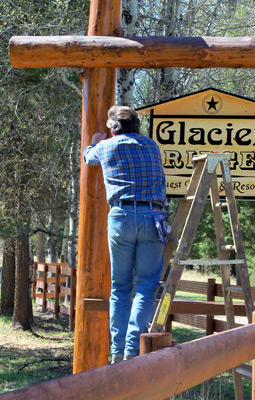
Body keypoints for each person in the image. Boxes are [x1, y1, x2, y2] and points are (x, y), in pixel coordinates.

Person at [83, 105, 167, 363]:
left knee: (120, 287)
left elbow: (88, 158)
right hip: (153, 216)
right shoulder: (151, 146)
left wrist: (95, 141)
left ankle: (118, 351)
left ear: (113, 128)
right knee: (146, 286)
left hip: (120, 216)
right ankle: (133, 348)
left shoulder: (106, 146)